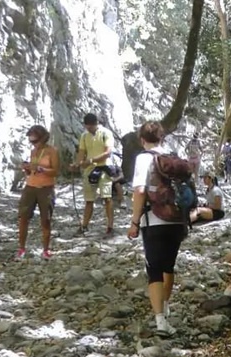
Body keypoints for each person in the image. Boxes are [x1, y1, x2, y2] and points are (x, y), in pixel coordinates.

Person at [127, 121, 183, 336]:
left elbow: (140, 190)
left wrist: (134, 221)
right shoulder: (173, 157)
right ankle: (166, 308)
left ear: (142, 140)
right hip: (177, 219)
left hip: (154, 220)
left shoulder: (143, 158)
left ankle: (160, 321)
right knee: (169, 266)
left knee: (154, 269)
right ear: (162, 138)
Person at [17, 125, 60, 260]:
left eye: (35, 141)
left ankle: (46, 250)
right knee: (23, 218)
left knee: (45, 219)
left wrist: (41, 169)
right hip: (30, 187)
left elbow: (55, 171)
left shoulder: (51, 151)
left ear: (43, 138)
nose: (33, 144)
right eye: (31, 141)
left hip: (46, 188)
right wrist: (27, 169)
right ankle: (21, 249)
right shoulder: (33, 152)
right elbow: (32, 171)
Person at [75, 113, 115, 236]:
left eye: (91, 126)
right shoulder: (84, 136)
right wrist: (78, 164)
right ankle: (84, 225)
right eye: (87, 126)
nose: (89, 128)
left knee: (107, 198)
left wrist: (91, 160)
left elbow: (108, 152)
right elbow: (82, 152)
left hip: (104, 168)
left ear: (97, 123)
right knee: (89, 199)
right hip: (89, 170)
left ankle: (110, 226)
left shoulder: (105, 133)